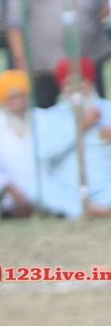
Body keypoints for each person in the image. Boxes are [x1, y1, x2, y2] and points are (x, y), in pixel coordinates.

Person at [35, 56, 111, 217]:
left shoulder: (107, 109)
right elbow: (41, 154)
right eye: (68, 83)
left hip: (106, 189)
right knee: (35, 187)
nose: (74, 88)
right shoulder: (51, 116)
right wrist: (79, 127)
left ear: (90, 81)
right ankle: (89, 210)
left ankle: (95, 208)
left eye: (80, 81)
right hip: (69, 191)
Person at [0, 69, 50, 217]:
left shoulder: (45, 117)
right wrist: (15, 194)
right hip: (10, 196)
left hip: (47, 188)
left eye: (22, 96)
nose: (18, 103)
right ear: (1, 101)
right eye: (11, 98)